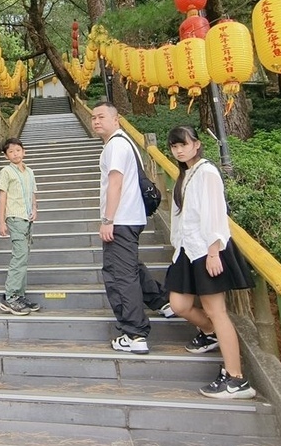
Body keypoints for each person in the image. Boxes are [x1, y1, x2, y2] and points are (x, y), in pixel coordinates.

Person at [164, 125, 256, 399]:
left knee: (217, 312)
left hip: (206, 249)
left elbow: (216, 212)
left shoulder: (206, 172)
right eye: (174, 146)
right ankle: (209, 332)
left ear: (197, 144)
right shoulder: (187, 174)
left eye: (183, 144)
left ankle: (236, 378)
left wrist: (214, 251)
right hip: (187, 249)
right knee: (179, 304)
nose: (179, 149)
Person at [90, 101, 172, 355]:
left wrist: (107, 220)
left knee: (119, 275)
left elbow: (115, 182)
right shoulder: (125, 143)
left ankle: (134, 333)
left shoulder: (115, 145)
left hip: (121, 219)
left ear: (117, 119)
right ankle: (161, 301)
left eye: (101, 116)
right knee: (130, 266)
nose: (96, 121)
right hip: (131, 218)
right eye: (93, 117)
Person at [0, 138, 40, 316]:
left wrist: (35, 209)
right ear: (7, 156)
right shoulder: (6, 171)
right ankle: (11, 297)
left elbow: (33, 193)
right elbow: (2, 196)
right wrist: (1, 221)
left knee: (24, 258)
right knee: (19, 256)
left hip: (27, 218)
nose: (15, 154)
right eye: (11, 152)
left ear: (24, 151)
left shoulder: (29, 172)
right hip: (14, 218)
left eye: (17, 150)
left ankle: (19, 295)